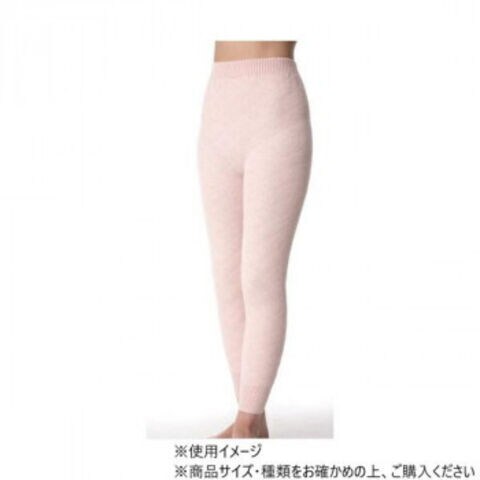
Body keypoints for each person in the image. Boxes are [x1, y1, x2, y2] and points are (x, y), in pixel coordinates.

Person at [197, 41, 312, 438]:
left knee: (260, 278)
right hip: (217, 107)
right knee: (228, 279)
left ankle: (247, 421)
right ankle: (250, 417)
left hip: (275, 111)